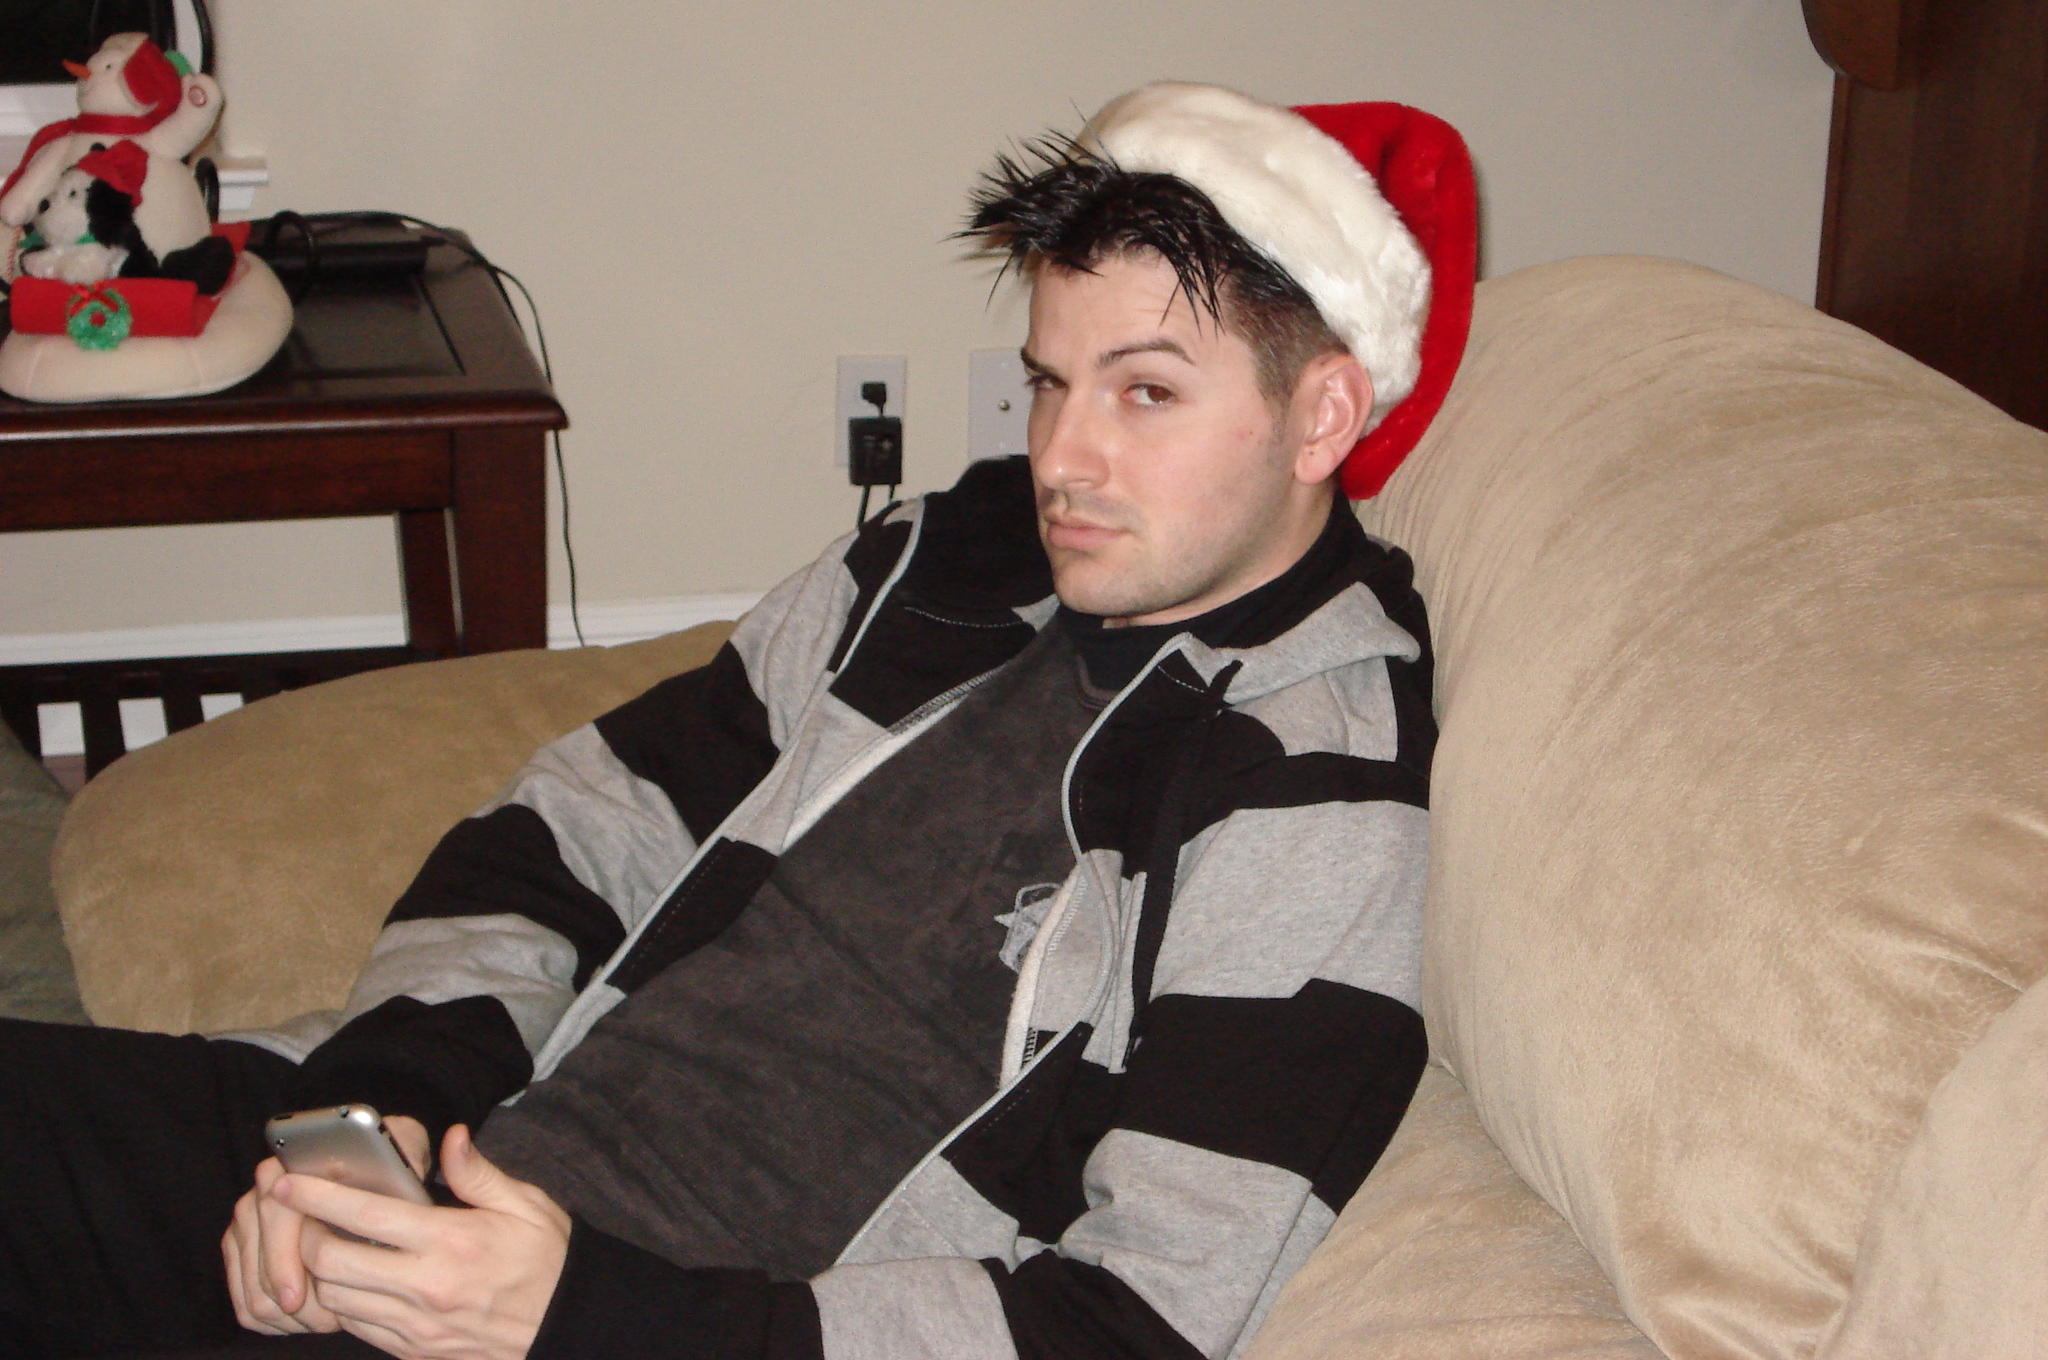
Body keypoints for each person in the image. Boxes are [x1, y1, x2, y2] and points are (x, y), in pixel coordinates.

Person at [0, 80, 1476, 1360]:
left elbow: (1131, 1320)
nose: (1062, 458)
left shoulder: (1312, 782)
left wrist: (575, 1319)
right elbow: (575, 830)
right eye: (1049, 383)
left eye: (1146, 394)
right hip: (462, 1149)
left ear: (1322, 415)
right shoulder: (948, 564)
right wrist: (370, 1116)